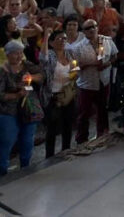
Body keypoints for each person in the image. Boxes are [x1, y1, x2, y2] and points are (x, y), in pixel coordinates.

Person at [0, 41, 43, 175]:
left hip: (28, 109)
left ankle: (25, 168)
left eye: (20, 53)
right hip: (8, 110)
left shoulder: (26, 65)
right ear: (8, 55)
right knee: (7, 141)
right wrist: (17, 95)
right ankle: (2, 171)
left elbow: (42, 75)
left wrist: (32, 77)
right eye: (15, 53)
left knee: (27, 140)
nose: (19, 56)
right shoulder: (2, 71)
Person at [41, 27, 76, 157]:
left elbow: (75, 68)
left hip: (67, 95)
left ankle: (66, 150)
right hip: (53, 96)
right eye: (59, 38)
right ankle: (49, 156)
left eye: (64, 38)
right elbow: (43, 58)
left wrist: (75, 73)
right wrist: (46, 35)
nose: (62, 41)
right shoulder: (50, 55)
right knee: (52, 128)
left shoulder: (69, 54)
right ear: (51, 43)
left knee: (67, 125)